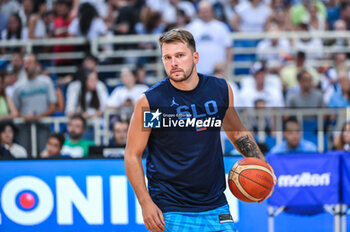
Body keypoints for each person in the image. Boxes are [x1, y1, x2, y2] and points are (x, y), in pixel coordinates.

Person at [124, 29, 276, 232]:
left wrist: (263, 165)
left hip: (215, 205)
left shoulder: (219, 90)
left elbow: (237, 132)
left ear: (195, 57)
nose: (173, 63)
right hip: (170, 208)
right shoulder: (153, 102)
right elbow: (133, 154)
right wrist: (145, 202)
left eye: (179, 55)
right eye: (167, 57)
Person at [12, 53, 57, 156]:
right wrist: (25, 117)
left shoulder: (46, 82)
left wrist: (39, 116)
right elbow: (15, 109)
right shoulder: (18, 86)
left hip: (43, 125)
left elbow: (53, 106)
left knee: (43, 154)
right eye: (25, 63)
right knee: (24, 154)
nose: (27, 66)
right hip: (24, 127)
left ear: (36, 65)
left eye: (30, 63)